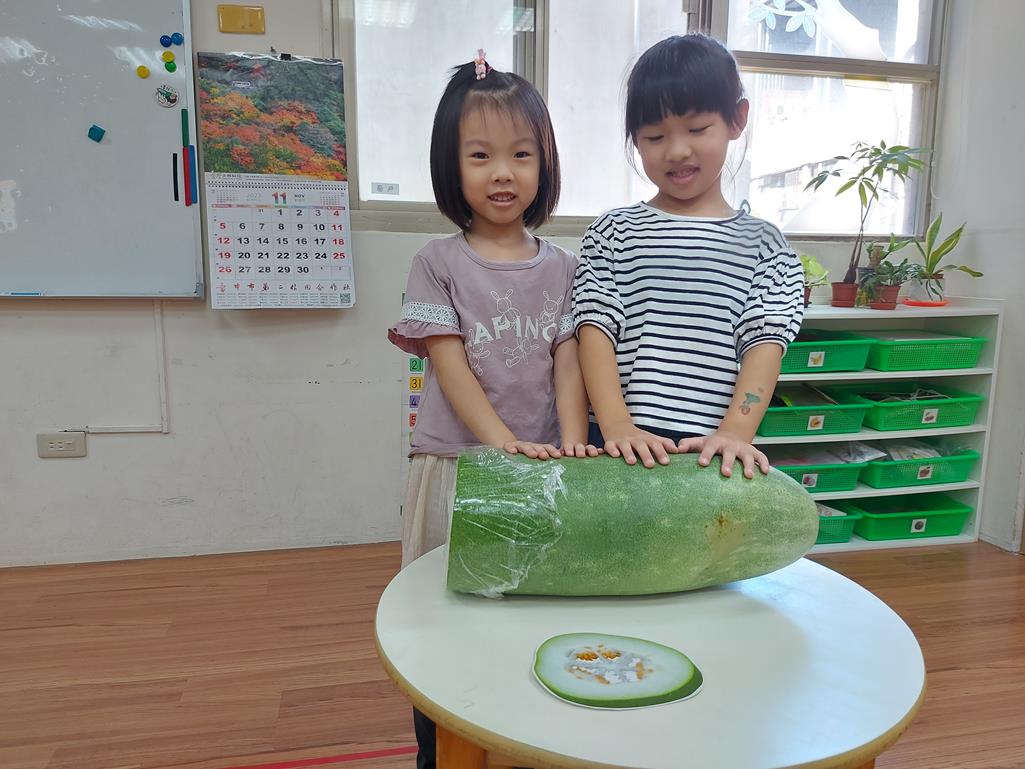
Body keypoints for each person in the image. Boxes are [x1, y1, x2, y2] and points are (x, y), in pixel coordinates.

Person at [387, 49, 594, 769]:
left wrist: (573, 445)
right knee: (440, 618)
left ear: (544, 164)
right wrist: (504, 445)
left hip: (539, 470)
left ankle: (521, 739)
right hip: (458, 466)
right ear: (452, 166)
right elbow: (450, 367)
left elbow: (569, 362)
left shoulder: (564, 267)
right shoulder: (436, 262)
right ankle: (437, 751)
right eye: (480, 155)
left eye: (520, 154)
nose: (502, 172)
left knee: (529, 611)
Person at [573, 33, 804, 478]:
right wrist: (616, 425)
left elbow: (764, 344)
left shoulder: (765, 247)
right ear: (635, 139)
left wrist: (736, 433)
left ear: (737, 119)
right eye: (655, 136)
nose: (677, 150)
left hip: (711, 451)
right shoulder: (613, 232)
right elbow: (595, 329)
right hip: (619, 444)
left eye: (697, 129)